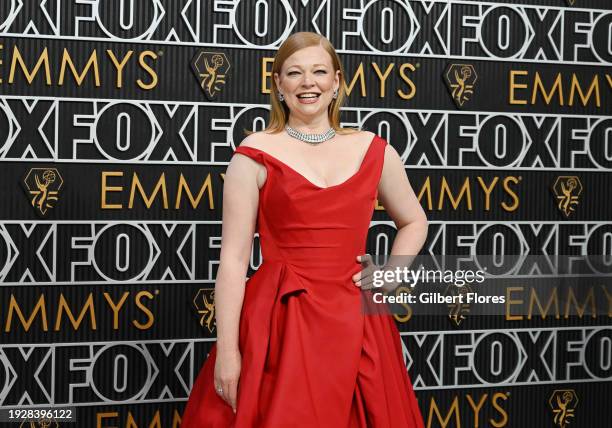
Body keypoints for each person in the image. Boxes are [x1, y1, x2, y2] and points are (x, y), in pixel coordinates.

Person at [181, 31, 428, 427]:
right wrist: (228, 350)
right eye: (294, 73)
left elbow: (415, 221)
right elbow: (233, 260)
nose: (308, 82)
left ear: (337, 82)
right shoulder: (253, 154)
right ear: (278, 84)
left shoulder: (374, 150)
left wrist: (392, 274)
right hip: (280, 323)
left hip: (357, 319)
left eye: (319, 72)